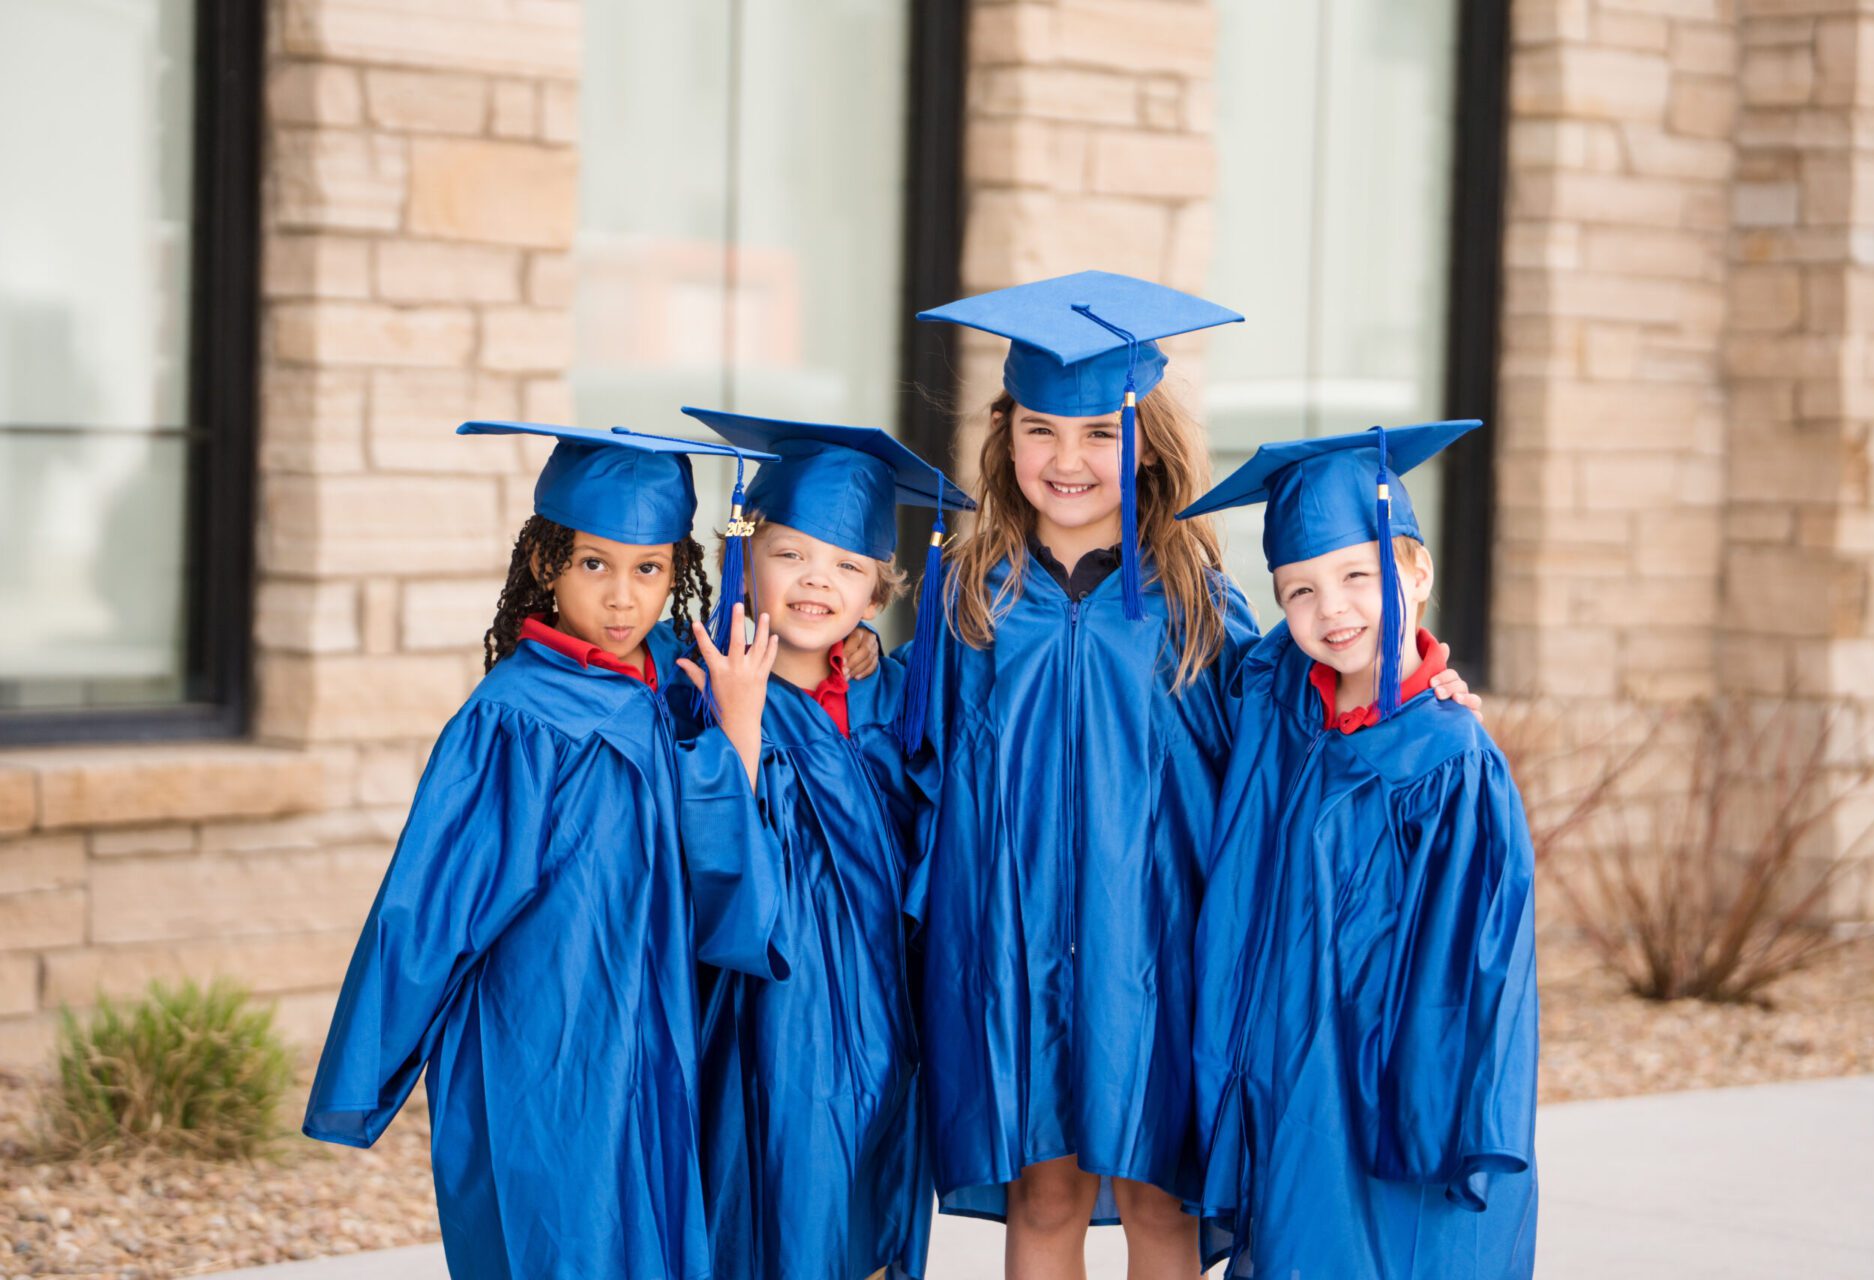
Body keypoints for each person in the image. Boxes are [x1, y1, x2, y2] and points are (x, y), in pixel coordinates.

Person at [898, 272, 1482, 1280]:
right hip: (1011, 939)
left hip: (1155, 946)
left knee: (1160, 1201)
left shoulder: (1197, 602)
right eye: (1041, 430)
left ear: (1147, 443)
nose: (1067, 458)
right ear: (1007, 440)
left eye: (1097, 433)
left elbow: (1305, 710)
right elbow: (904, 748)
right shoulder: (968, 599)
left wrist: (1424, 685)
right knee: (1044, 1195)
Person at [303, 421, 788, 1280]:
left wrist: (847, 652)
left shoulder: (677, 682)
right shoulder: (514, 717)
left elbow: (720, 855)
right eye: (594, 563)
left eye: (650, 570)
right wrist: (369, 1064)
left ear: (677, 575)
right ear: (545, 564)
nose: (622, 598)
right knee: (561, 1239)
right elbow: (433, 897)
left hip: (652, 1021)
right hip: (545, 1031)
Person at [1182, 421, 1538, 1279]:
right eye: (1298, 591)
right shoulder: (1277, 705)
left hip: (1385, 1086)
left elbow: (1476, 970)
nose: (1331, 610)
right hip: (1285, 1068)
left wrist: (1421, 1106)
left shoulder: (1450, 761)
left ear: (1415, 572)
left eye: (1357, 575)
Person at [674, 406, 974, 1280]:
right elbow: (704, 879)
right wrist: (738, 735)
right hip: (765, 1022)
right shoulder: (695, 684)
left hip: (885, 1019)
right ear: (745, 553)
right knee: (775, 1215)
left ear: (880, 592)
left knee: (869, 1220)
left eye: (848, 564)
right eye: (791, 554)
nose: (817, 580)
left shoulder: (899, 699)